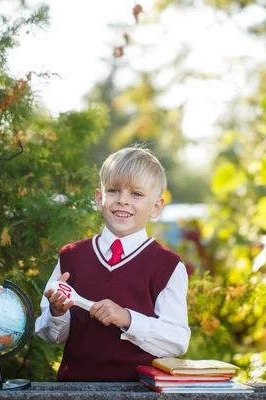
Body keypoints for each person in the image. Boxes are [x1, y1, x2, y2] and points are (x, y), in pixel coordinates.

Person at [35, 146, 191, 381]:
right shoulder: (72, 257)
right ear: (100, 199)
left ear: (156, 207)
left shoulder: (167, 265)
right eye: (114, 191)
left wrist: (128, 318)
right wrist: (57, 313)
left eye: (136, 194)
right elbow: (50, 335)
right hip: (75, 390)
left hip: (138, 392)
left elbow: (177, 340)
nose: (123, 201)